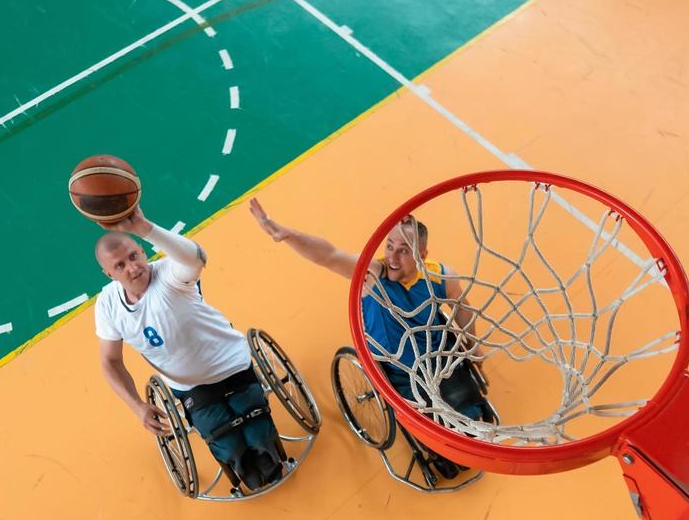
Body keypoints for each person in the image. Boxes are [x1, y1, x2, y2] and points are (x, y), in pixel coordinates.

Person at [248, 198, 492, 477]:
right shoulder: (373, 275)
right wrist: (286, 234)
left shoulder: (441, 275)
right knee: (448, 447)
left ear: (422, 256)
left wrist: (475, 351)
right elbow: (328, 255)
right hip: (399, 371)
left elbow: (463, 310)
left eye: (403, 251)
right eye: (389, 246)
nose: (392, 257)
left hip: (440, 361)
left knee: (473, 423)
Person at [94, 208, 283, 491]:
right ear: (108, 273)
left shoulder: (170, 275)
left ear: (144, 252)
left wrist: (145, 227)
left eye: (134, 256)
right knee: (233, 451)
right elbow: (110, 361)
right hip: (191, 387)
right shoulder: (108, 305)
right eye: (120, 265)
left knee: (263, 445)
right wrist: (138, 407)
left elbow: (197, 257)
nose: (132, 268)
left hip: (232, 366)